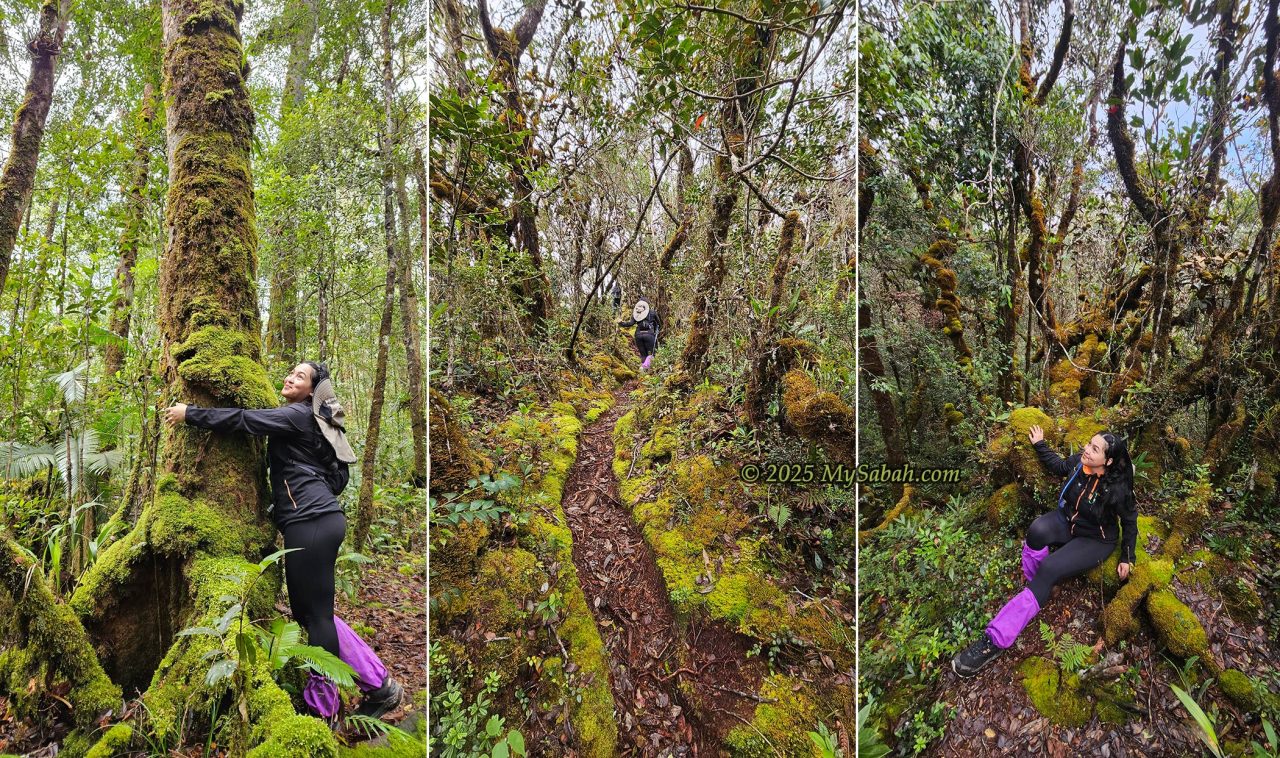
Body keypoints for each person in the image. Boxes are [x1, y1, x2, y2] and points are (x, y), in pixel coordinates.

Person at [164, 361, 403, 720]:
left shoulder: (296, 415)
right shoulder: (317, 424)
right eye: (291, 373)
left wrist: (191, 413)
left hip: (311, 522)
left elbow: (244, 420)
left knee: (316, 617)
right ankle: (378, 683)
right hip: (318, 520)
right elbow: (339, 479)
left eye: (301, 377)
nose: (291, 378)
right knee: (312, 615)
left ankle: (322, 709)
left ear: (312, 391)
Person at [952, 425, 1138, 677]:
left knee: (1049, 568)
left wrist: (1127, 556)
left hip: (1096, 538)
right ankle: (1036, 586)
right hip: (1070, 522)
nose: (1086, 449)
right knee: (1037, 531)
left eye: (1095, 449)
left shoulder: (1117, 489)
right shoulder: (1080, 464)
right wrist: (1040, 444)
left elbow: (1129, 521)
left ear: (1108, 460)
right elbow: (1058, 466)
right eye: (1088, 443)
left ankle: (994, 641)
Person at [618, 297, 661, 370]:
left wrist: (621, 323)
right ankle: (648, 369)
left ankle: (643, 369)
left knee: (643, 354)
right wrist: (656, 330)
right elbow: (659, 324)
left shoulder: (636, 313)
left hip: (638, 335)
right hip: (649, 334)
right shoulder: (652, 312)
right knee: (652, 353)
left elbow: (630, 324)